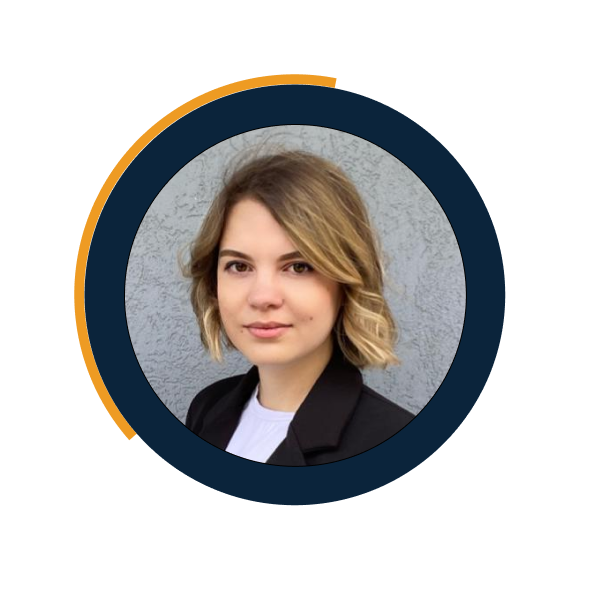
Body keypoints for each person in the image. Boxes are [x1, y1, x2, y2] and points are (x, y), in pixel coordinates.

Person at [183, 149, 414, 466]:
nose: (262, 297)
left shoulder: (394, 441)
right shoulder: (208, 407)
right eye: (239, 266)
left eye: (299, 267)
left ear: (347, 283)